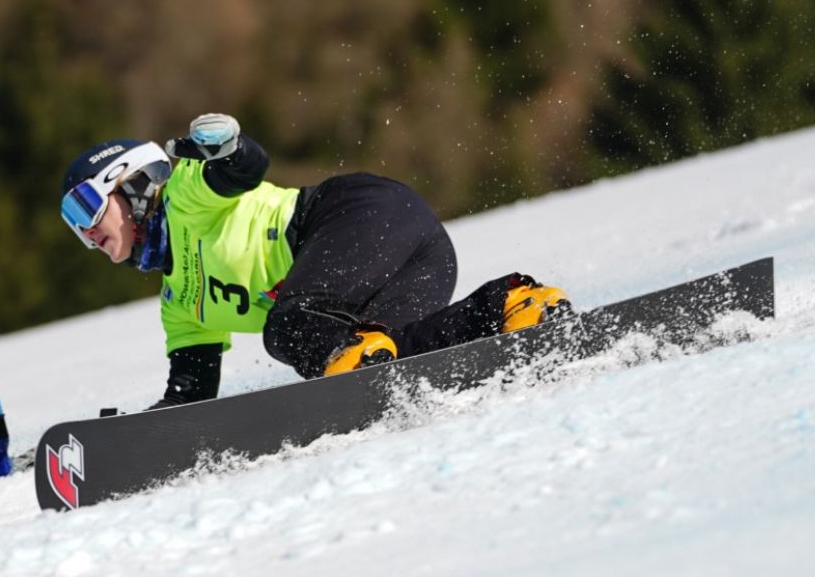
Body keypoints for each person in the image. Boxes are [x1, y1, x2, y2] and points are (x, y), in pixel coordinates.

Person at [59, 113, 569, 408]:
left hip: (361, 214)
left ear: (131, 182)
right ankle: (512, 307)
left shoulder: (184, 195)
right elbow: (188, 399)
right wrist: (126, 443)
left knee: (290, 328)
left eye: (83, 206)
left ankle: (349, 363)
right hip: (419, 259)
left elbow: (245, 169)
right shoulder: (179, 306)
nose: (85, 231)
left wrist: (228, 146)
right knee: (395, 353)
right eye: (71, 224)